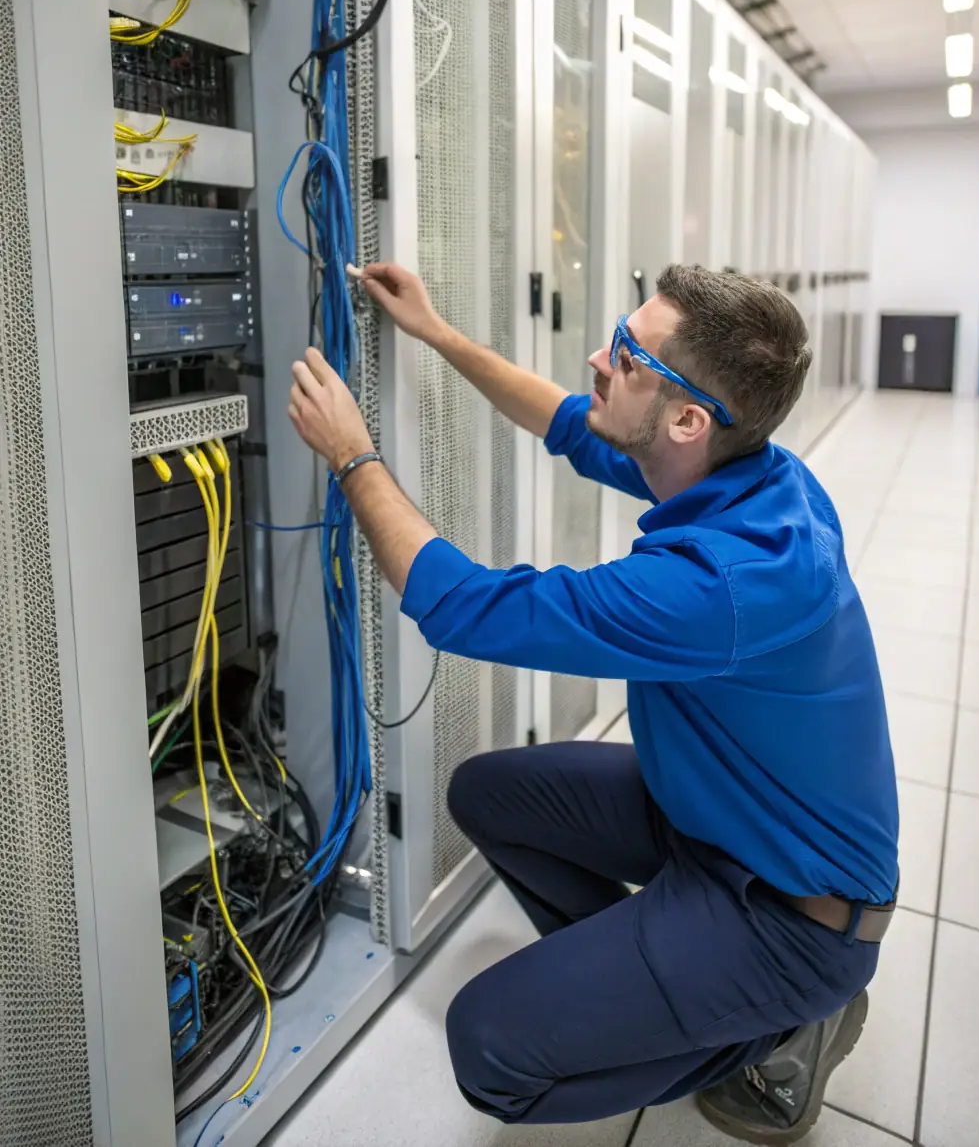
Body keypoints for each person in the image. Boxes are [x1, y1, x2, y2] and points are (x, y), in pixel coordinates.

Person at [287, 261, 899, 1145]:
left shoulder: (717, 585)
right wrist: (435, 330)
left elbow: (463, 605)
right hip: (719, 824)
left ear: (689, 418)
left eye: (627, 355)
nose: (597, 358)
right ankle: (669, 979)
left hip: (793, 916)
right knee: (486, 796)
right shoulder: (758, 470)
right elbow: (568, 423)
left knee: (487, 1044)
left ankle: (767, 1029)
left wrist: (352, 453)